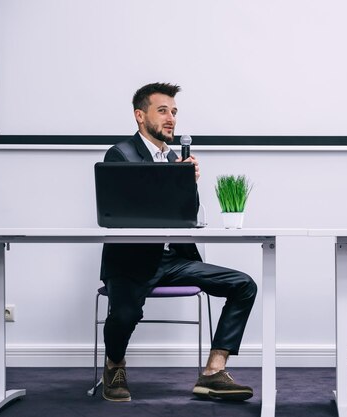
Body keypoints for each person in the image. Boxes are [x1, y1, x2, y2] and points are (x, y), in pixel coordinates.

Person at [100, 82, 257, 402]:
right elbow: (124, 212)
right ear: (139, 116)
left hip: (172, 259)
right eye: (162, 111)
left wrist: (188, 183)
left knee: (244, 284)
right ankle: (114, 365)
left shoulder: (173, 158)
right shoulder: (121, 153)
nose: (171, 118)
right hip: (131, 261)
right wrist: (172, 181)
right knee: (125, 314)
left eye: (173, 112)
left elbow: (189, 219)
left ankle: (213, 372)